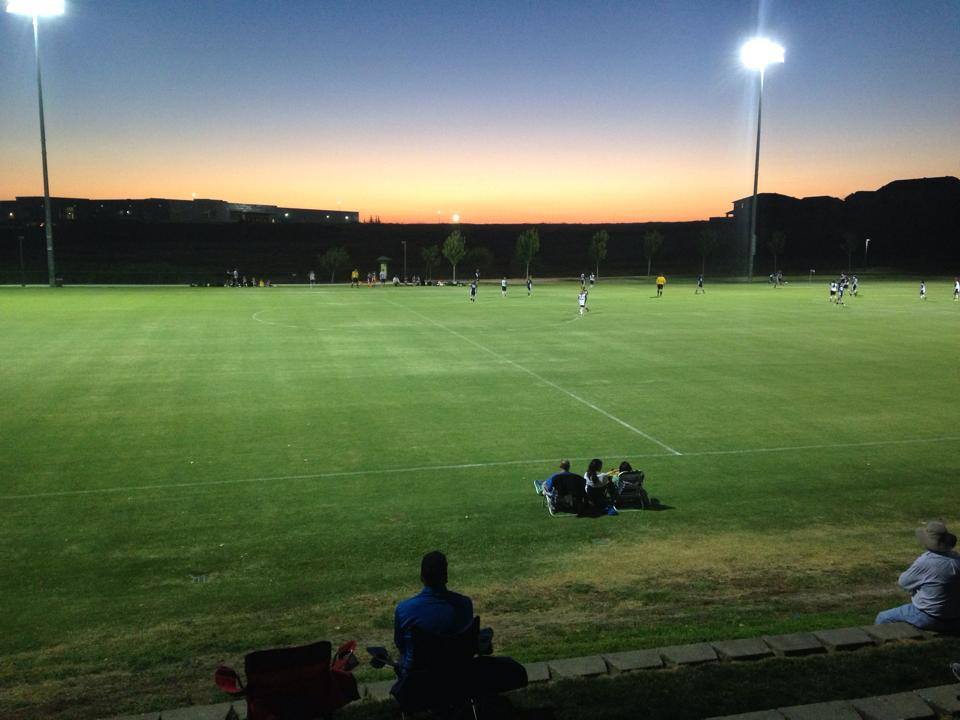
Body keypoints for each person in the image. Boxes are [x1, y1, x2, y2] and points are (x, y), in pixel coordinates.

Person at [394, 551, 474, 678]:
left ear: (422, 577)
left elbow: (401, 646)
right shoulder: (464, 605)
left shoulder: (404, 610)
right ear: (445, 576)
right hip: (457, 678)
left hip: (416, 682)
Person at [875, 521, 960, 632]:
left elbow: (903, 582)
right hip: (955, 617)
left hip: (929, 617)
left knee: (883, 617)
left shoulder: (925, 561)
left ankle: (885, 642)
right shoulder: (957, 559)